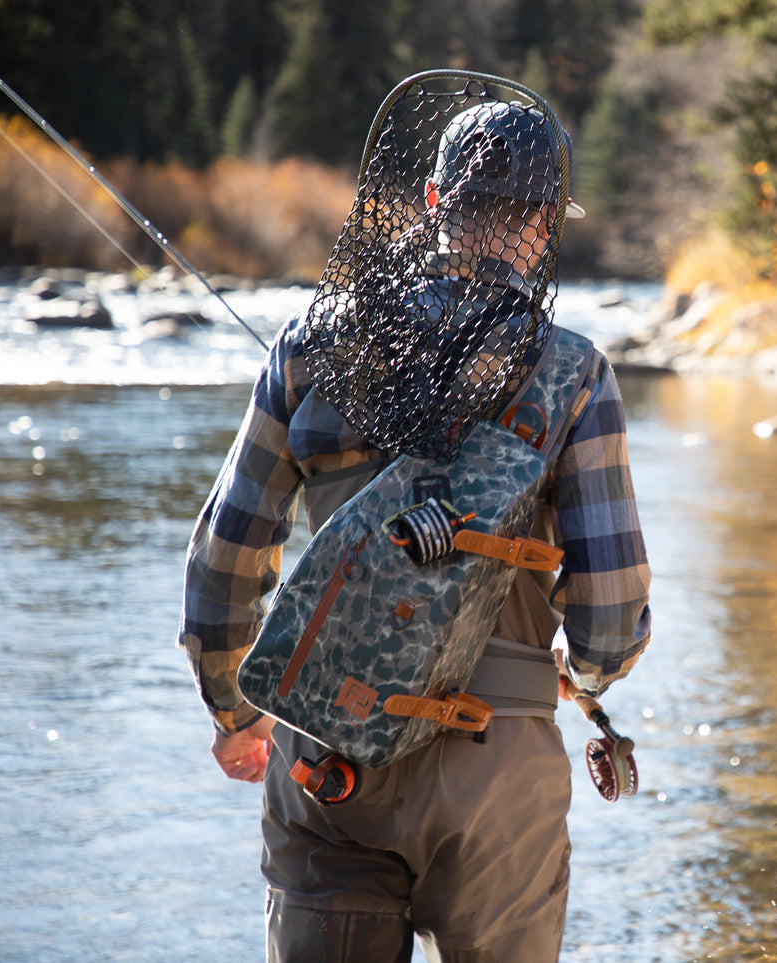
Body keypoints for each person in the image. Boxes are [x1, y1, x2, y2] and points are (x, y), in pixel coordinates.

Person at [179, 92, 651, 962]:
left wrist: (231, 711)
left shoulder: (309, 340)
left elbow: (224, 557)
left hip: (328, 749)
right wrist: (579, 675)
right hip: (496, 767)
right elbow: (612, 614)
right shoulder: (574, 370)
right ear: (544, 224)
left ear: (434, 203)